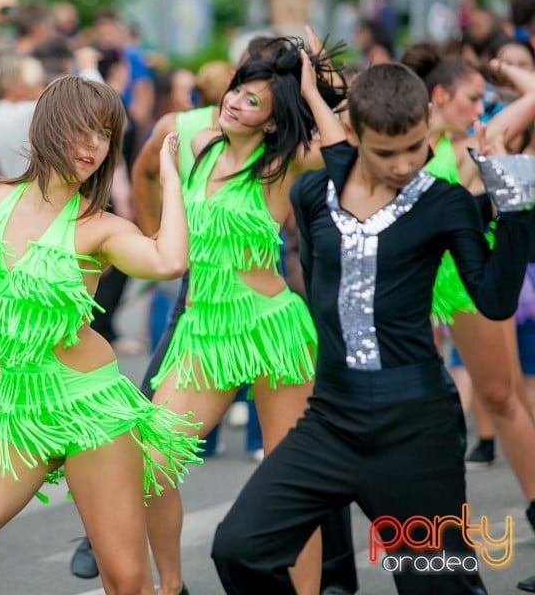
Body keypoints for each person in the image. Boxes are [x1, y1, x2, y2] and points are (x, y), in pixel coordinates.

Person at [211, 59, 534, 594]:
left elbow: (496, 301)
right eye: (386, 152)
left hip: (416, 428)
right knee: (241, 548)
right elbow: (315, 274)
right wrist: (314, 94)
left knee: (439, 585)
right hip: (330, 421)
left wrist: (512, 200)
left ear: (426, 120)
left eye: (414, 146)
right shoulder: (314, 196)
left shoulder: (444, 203)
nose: (405, 164)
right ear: (356, 135)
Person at [0, 75, 201, 594]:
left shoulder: (99, 228)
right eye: (82, 130)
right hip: (12, 412)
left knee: (126, 583)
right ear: (48, 128)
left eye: (105, 135)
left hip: (90, 407)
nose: (93, 146)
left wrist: (172, 181)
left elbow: (169, 260)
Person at [137, 35, 344, 595]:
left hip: (271, 329)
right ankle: (171, 586)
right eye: (237, 91)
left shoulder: (282, 165)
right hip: (204, 330)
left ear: (273, 122)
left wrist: (310, 85)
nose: (235, 103)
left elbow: (341, 143)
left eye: (254, 101)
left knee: (290, 482)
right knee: (149, 463)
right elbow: (149, 186)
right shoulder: (199, 144)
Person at [400, 44, 535, 531]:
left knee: (501, 396)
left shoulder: (473, 145)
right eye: (473, 98)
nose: (481, 111)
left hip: (465, 284)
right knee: (505, 396)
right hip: (420, 288)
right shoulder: (408, 143)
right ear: (439, 94)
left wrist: (498, 68)